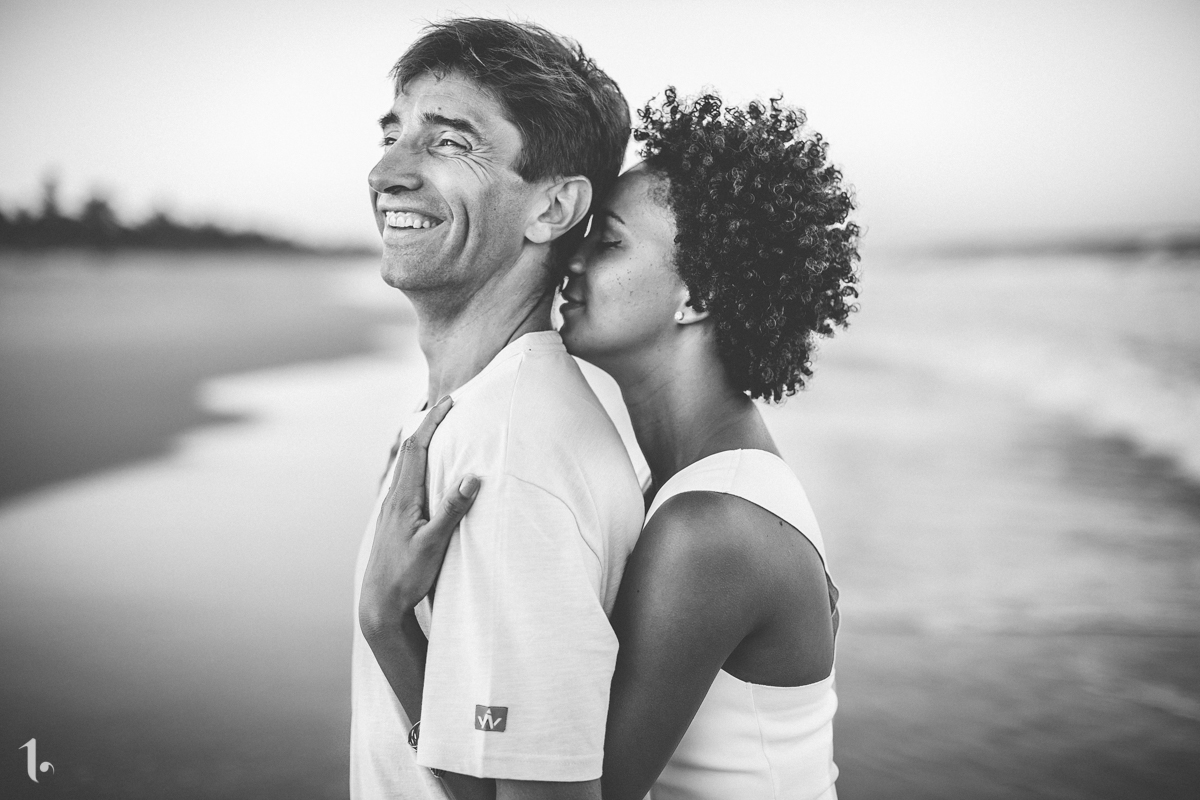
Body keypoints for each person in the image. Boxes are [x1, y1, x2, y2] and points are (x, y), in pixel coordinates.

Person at [373, 87, 861, 799]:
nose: (570, 262)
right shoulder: (709, 486)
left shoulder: (712, 528)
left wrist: (389, 624)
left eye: (607, 243)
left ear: (698, 297)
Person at [352, 18, 644, 800]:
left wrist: (385, 624)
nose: (388, 170)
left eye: (449, 142)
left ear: (551, 207)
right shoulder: (468, 414)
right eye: (394, 133)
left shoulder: (512, 460)